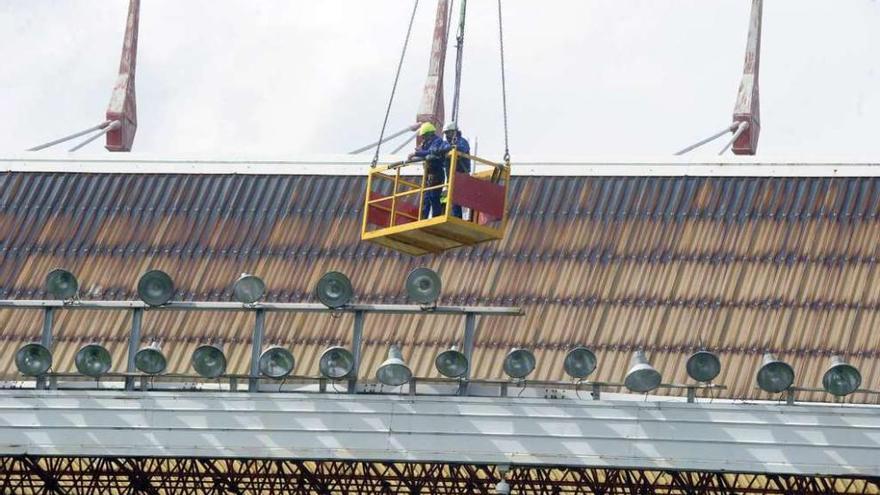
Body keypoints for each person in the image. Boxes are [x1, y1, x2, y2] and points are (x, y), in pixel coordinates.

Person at [408, 122, 451, 219]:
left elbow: (431, 152)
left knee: (434, 196)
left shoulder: (437, 141)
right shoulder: (426, 143)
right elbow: (424, 154)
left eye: (424, 136)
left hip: (436, 172)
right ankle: (423, 218)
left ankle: (436, 217)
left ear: (429, 134)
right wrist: (417, 153)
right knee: (426, 197)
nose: (423, 138)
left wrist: (416, 153)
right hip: (429, 173)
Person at [442, 122, 471, 218]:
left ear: (454, 132)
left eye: (448, 133)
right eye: (446, 133)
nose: (447, 135)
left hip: (461, 172)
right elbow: (441, 149)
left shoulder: (461, 141)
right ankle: (454, 216)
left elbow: (464, 148)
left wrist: (455, 147)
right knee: (452, 196)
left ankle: (457, 217)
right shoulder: (446, 143)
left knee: (456, 196)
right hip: (451, 174)